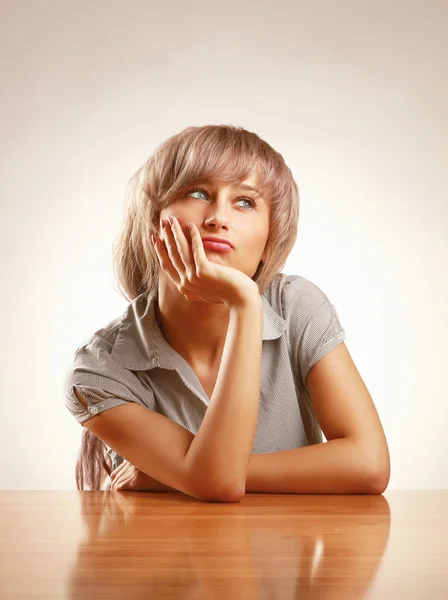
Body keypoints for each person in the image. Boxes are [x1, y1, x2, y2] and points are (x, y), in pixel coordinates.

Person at [63, 124, 389, 499]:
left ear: (271, 239)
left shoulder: (298, 307)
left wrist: (181, 473)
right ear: (154, 221)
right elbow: (218, 484)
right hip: (162, 555)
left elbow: (370, 465)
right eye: (198, 192)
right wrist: (243, 303)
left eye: (245, 202)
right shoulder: (98, 372)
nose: (218, 216)